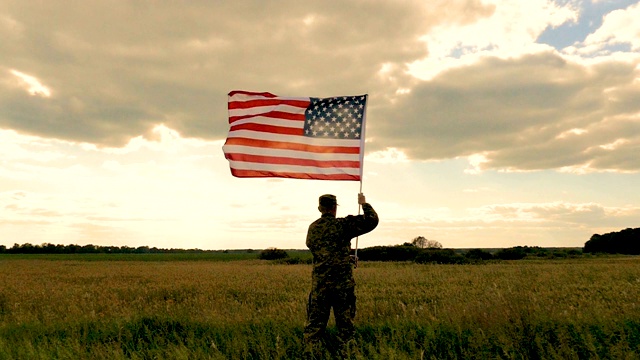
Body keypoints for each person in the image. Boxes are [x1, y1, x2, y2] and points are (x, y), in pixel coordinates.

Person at [303, 192, 379, 358]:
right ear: (334, 208)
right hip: (341, 285)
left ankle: (311, 354)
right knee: (345, 325)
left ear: (319, 208)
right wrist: (364, 203)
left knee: (314, 325)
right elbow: (372, 220)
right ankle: (346, 354)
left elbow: (318, 250)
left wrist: (343, 257)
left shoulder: (313, 228)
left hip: (320, 285)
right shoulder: (343, 225)